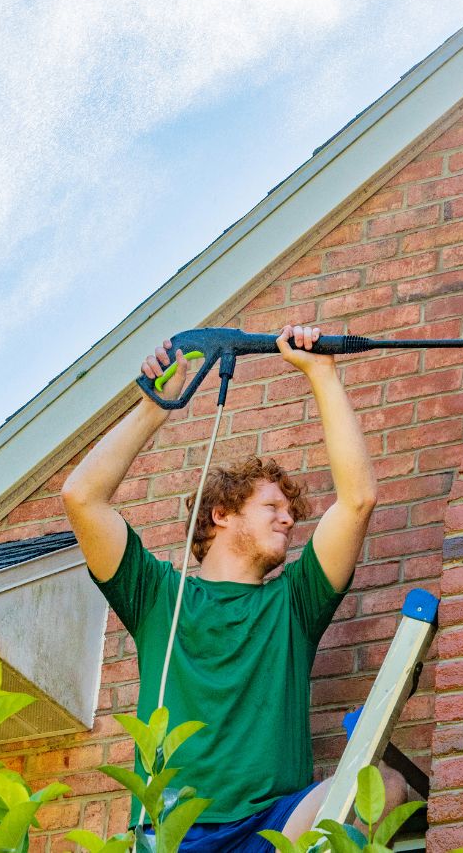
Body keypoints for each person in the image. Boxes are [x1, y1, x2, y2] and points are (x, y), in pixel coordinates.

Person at [62, 324, 404, 851]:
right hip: (173, 833)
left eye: (290, 513)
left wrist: (322, 372)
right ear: (220, 514)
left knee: (381, 785)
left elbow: (357, 498)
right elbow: (82, 497)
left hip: (273, 829)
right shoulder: (158, 598)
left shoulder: (294, 602)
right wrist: (160, 404)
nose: (288, 520)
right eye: (273, 507)